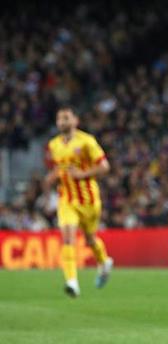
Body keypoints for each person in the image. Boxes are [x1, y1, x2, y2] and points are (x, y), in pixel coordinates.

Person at [44, 106, 113, 297]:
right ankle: (72, 281)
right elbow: (60, 168)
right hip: (66, 198)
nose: (62, 122)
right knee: (68, 237)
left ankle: (104, 262)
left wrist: (83, 174)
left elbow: (104, 167)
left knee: (90, 239)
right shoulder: (53, 145)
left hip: (89, 199)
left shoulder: (87, 141)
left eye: (66, 118)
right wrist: (51, 178)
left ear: (75, 120)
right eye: (59, 119)